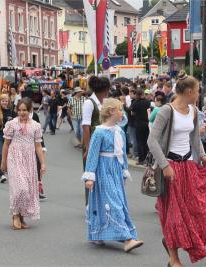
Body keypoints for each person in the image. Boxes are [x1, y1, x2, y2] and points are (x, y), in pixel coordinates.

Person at [148, 71, 206, 266]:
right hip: (170, 166)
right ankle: (173, 258)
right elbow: (151, 140)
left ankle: (170, 242)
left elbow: (194, 138)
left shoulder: (193, 110)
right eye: (197, 91)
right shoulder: (166, 111)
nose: (198, 94)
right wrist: (165, 165)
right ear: (188, 91)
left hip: (187, 166)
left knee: (194, 210)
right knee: (174, 215)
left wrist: (202, 155)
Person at [82, 98, 144, 252]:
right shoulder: (99, 132)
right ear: (111, 112)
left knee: (117, 201)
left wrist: (123, 171)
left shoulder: (119, 131)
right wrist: (90, 176)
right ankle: (127, 239)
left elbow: (122, 153)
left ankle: (99, 234)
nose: (122, 112)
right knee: (112, 202)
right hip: (103, 170)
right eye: (119, 109)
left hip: (115, 170)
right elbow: (92, 154)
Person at [1, 97, 46, 230]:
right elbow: (6, 144)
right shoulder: (12, 124)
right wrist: (3, 162)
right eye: (19, 110)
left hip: (29, 160)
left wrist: (42, 163)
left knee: (28, 190)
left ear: (30, 110)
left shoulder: (35, 126)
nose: (22, 113)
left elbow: (38, 146)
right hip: (14, 158)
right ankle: (15, 214)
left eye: (25, 110)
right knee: (20, 188)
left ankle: (21, 216)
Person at [82, 76, 110, 205]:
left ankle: (100, 203)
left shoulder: (103, 102)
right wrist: (88, 148)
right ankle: (90, 205)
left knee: (102, 174)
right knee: (90, 174)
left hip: (102, 144)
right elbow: (86, 127)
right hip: (92, 143)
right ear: (104, 90)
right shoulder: (89, 103)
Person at [0, 94, 16, 183]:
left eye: (6, 101)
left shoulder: (12, 112)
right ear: (0, 101)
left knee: (9, 155)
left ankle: (6, 169)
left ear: (8, 102)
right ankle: (1, 174)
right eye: (3, 101)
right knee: (1, 153)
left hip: (9, 136)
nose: (4, 102)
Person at [131, 89, 151, 165]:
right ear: (142, 94)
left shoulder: (135, 103)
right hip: (146, 123)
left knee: (139, 142)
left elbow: (132, 113)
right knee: (146, 141)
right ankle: (146, 159)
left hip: (138, 123)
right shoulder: (147, 102)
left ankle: (141, 160)